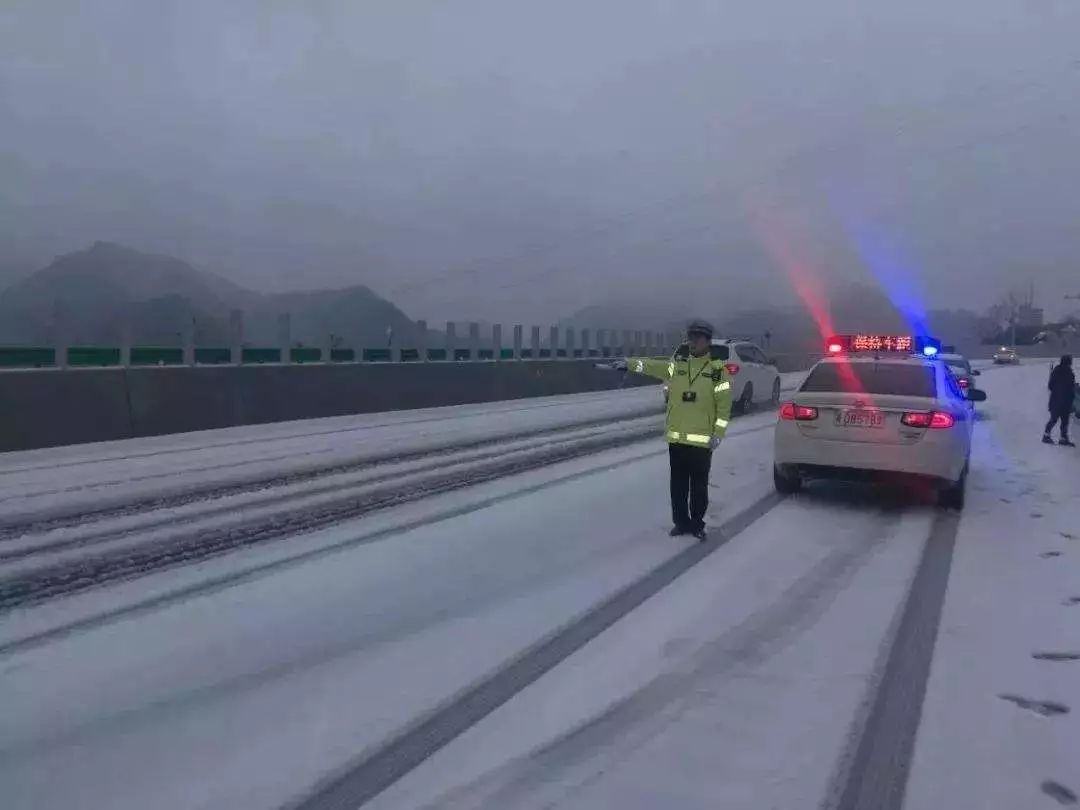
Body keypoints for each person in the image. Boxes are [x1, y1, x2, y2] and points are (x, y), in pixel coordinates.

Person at [625, 319, 733, 540]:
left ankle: (696, 524)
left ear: (707, 342)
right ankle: (681, 523)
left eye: (697, 338)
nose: (692, 342)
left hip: (702, 442)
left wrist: (718, 435)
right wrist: (628, 364)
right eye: (690, 338)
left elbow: (724, 407)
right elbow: (653, 366)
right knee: (678, 486)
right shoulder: (679, 366)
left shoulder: (716, 371)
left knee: (699, 488)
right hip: (677, 440)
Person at [1044, 354, 1075, 446]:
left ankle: (1056, 437)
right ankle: (1059, 438)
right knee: (1060, 420)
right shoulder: (1069, 373)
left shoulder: (1057, 371)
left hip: (1057, 400)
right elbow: (1071, 387)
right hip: (1063, 401)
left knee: (1056, 419)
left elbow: (1050, 386)